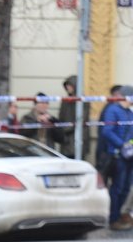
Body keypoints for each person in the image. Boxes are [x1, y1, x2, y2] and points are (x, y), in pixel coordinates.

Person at [97, 86, 133, 231]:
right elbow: (107, 131)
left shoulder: (129, 112)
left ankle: (118, 216)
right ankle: (113, 218)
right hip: (117, 155)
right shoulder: (113, 110)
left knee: (125, 188)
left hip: (129, 155)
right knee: (117, 188)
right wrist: (122, 145)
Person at [57, 75, 90, 160]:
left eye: (70, 85)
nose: (68, 87)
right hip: (66, 139)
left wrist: (64, 129)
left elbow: (81, 119)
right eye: (67, 85)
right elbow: (61, 117)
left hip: (77, 138)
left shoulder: (83, 100)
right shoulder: (66, 100)